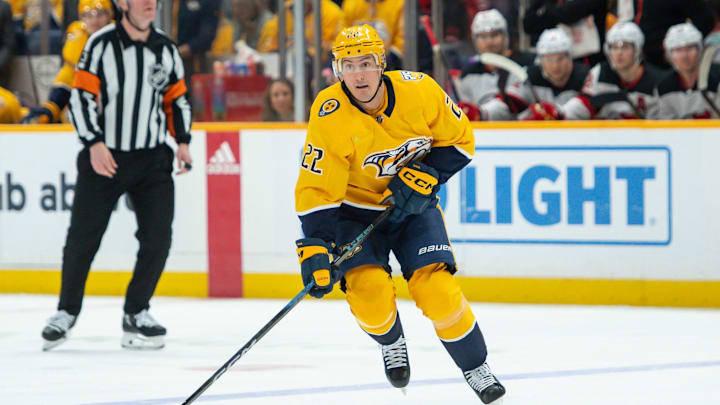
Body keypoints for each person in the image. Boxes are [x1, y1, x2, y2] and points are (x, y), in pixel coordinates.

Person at [294, 24, 505, 404]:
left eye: (366, 63)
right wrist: (315, 245)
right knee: (370, 296)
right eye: (348, 65)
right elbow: (318, 184)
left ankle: (475, 366)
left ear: (382, 64)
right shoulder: (329, 112)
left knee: (438, 292)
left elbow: (461, 140)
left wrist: (429, 174)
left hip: (412, 210)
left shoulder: (420, 90)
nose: (358, 74)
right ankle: (391, 341)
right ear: (337, 69)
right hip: (354, 216)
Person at [40, 0, 193, 351]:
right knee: (83, 238)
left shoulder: (165, 47)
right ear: (122, 3)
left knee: (158, 239)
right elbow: (80, 97)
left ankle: (136, 311)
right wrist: (93, 143)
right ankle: (66, 312)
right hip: (104, 156)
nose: (149, 3)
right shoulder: (100, 44)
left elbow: (177, 99)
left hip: (153, 157)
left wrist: (182, 142)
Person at [20, 0, 112, 124]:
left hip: (113, 99)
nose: (94, 21)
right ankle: (50, 110)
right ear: (82, 18)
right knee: (66, 82)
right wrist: (53, 106)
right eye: (89, 16)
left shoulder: (118, 35)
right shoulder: (77, 32)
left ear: (109, 16)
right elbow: (70, 74)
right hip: (86, 94)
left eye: (100, 15)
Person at [481, 28, 589, 120]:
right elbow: (507, 104)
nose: (555, 66)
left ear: (570, 57)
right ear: (541, 60)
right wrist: (483, 113)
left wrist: (559, 113)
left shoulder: (585, 76)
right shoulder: (530, 75)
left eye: (560, 59)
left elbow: (591, 109)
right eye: (549, 60)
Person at [563, 21, 665, 119]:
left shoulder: (657, 82)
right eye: (614, 47)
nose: (619, 53)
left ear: (637, 50)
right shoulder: (599, 73)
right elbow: (582, 105)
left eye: (625, 47)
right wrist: (560, 113)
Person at [457, 9, 535, 120]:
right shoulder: (467, 75)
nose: (489, 42)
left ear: (505, 36)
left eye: (494, 35)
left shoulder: (528, 64)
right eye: (483, 37)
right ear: (474, 41)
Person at [655, 23, 720, 119]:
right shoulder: (663, 87)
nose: (684, 56)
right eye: (678, 50)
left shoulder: (717, 76)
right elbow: (666, 127)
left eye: (689, 48)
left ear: (700, 50)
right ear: (669, 55)